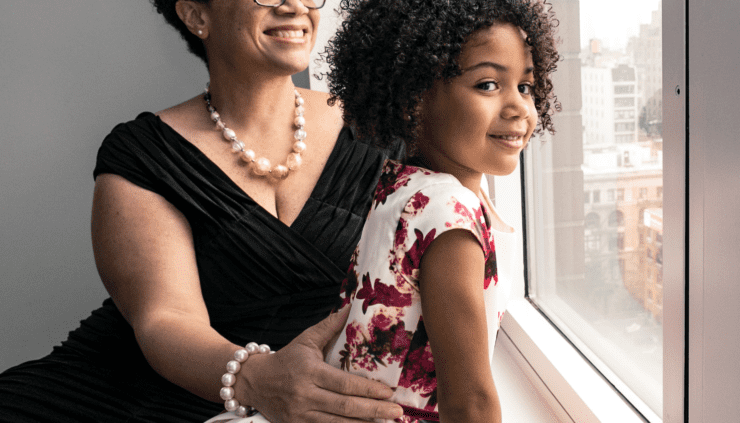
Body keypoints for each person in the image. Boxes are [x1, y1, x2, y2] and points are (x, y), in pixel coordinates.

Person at [0, 1, 405, 422]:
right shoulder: (144, 153)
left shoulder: (383, 124)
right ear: (196, 15)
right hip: (121, 393)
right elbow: (165, 319)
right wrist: (259, 380)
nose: (294, 5)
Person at [205, 0, 560, 421]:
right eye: (487, 85)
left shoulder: (400, 183)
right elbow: (471, 402)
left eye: (525, 86)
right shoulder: (450, 217)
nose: (519, 106)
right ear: (414, 100)